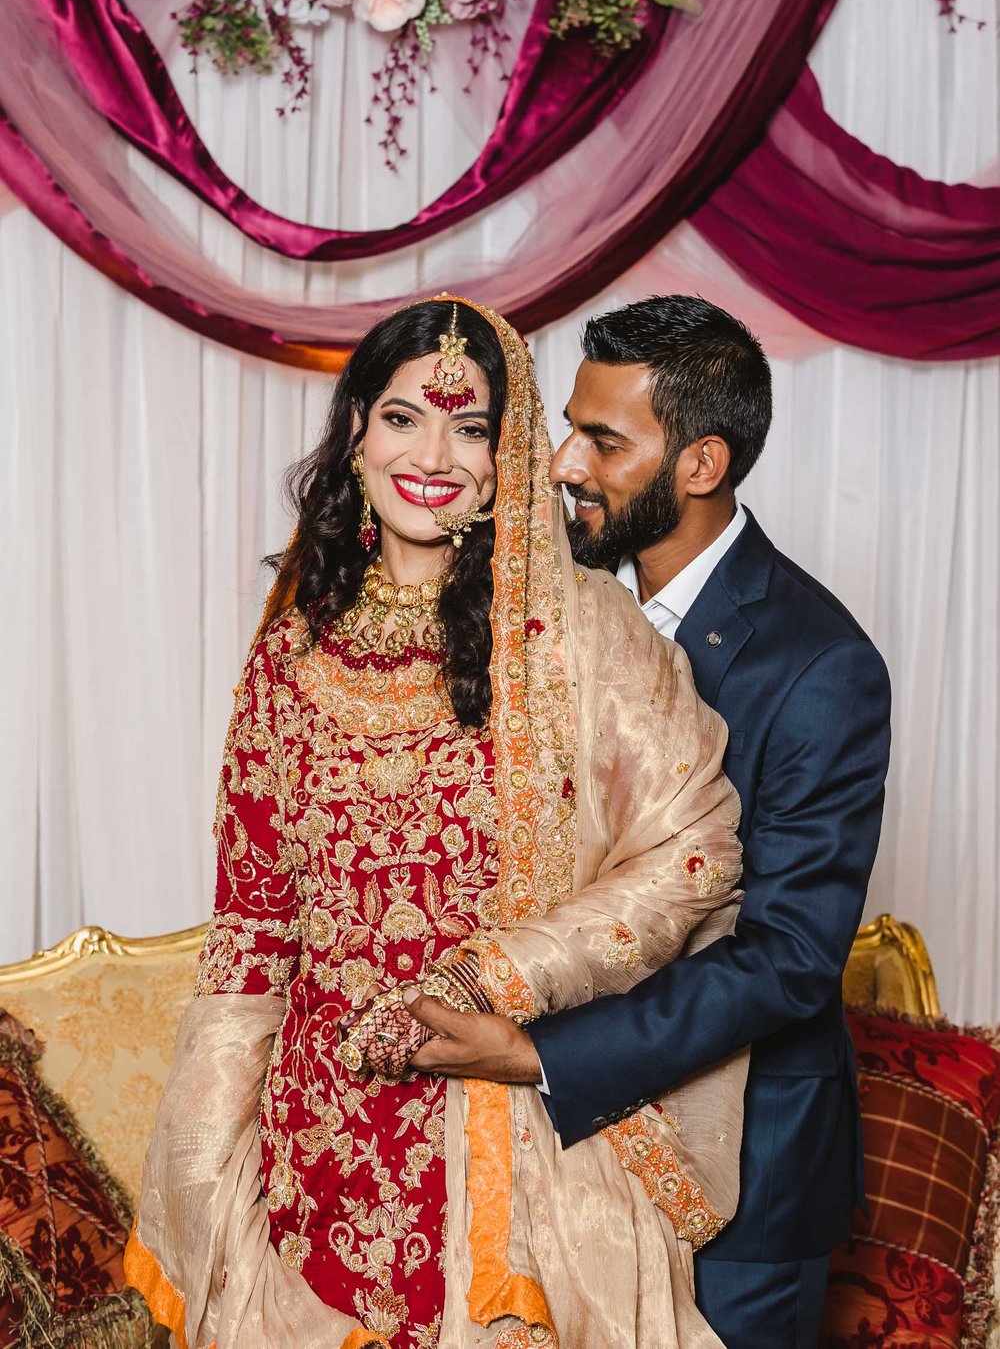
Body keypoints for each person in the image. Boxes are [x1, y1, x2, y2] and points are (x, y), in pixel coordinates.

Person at [125, 295, 750, 1349]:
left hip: (503, 1121)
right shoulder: (287, 661)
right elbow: (254, 930)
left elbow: (691, 853)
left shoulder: (574, 638)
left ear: (509, 461)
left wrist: (490, 979)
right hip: (311, 1134)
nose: (436, 455)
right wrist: (201, 1155)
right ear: (357, 428)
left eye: (472, 429)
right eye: (406, 417)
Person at [406, 295, 892, 1349]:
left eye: (605, 441)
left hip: (744, 1185)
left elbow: (790, 958)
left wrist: (539, 1057)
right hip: (540, 1149)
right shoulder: (553, 605)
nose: (565, 463)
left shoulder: (819, 666)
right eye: (570, 427)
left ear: (701, 465)